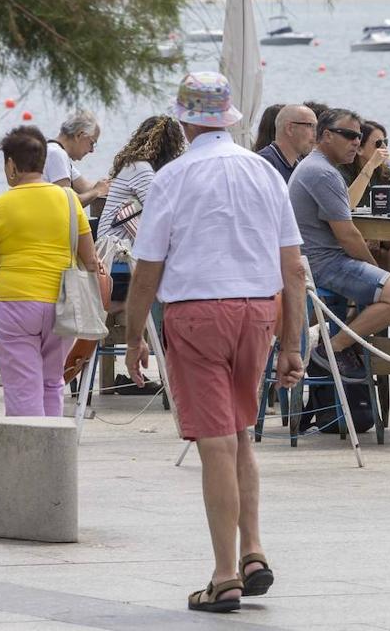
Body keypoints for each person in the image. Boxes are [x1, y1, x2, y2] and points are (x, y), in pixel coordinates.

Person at [124, 71, 305, 613]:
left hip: (196, 312)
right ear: (229, 118)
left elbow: (146, 270)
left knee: (215, 443)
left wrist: (134, 335)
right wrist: (292, 342)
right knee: (241, 433)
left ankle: (225, 573)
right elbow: (293, 268)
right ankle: (252, 550)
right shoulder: (265, 173)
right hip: (257, 311)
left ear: (184, 120)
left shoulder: (173, 177)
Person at [0, 126, 99, 416]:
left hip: (14, 307)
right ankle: (51, 457)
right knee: (52, 383)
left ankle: (28, 460)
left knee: (23, 388)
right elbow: (90, 260)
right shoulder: (69, 200)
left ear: (11, 165)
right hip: (61, 306)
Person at [287, 108, 390, 358]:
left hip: (310, 261)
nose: (356, 141)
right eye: (348, 135)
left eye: (358, 136)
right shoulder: (323, 173)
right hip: (323, 264)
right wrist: (378, 270)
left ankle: (342, 341)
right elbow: (348, 235)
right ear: (326, 135)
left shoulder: (314, 167)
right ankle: (332, 350)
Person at [101, 115, 186, 243]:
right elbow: (160, 212)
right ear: (169, 148)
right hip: (117, 252)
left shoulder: (133, 164)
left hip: (113, 245)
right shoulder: (140, 168)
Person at [343, 120, 390, 208]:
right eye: (378, 143)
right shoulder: (342, 172)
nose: (384, 147)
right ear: (359, 149)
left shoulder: (387, 175)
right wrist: (371, 165)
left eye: (385, 142)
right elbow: (345, 205)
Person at [45, 110, 109, 207]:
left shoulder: (53, 150)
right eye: (92, 143)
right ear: (79, 135)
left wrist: (113, 185)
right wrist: (97, 192)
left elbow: (86, 187)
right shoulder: (56, 154)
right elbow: (67, 204)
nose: (92, 150)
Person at [256, 104, 317, 183]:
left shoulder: (299, 163)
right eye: (310, 126)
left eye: (316, 127)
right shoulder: (264, 164)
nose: (316, 134)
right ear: (290, 129)